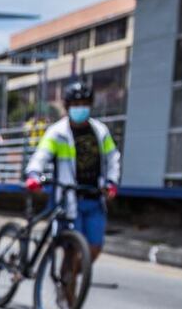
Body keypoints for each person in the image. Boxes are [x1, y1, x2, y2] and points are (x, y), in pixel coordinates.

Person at [25, 80, 121, 262]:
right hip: (68, 199)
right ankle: (67, 286)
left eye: (84, 104)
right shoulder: (57, 132)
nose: (80, 108)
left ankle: (75, 278)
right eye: (76, 104)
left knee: (94, 247)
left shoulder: (101, 131)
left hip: (94, 197)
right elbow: (41, 156)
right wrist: (33, 175)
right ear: (67, 106)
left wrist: (112, 182)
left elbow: (112, 157)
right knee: (72, 249)